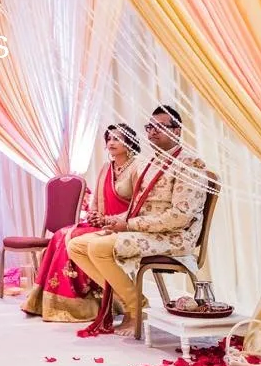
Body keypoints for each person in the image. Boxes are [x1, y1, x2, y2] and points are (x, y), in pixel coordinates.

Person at [68, 106, 208, 337]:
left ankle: (136, 309)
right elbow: (139, 207)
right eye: (150, 127)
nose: (153, 132)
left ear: (178, 130)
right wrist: (111, 220)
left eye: (161, 127)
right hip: (148, 231)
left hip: (174, 237)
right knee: (77, 245)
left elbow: (180, 217)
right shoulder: (152, 162)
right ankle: (132, 299)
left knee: (99, 247)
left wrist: (129, 225)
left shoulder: (189, 164)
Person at [21, 124, 140, 321]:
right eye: (109, 138)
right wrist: (93, 215)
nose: (111, 142)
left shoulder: (137, 168)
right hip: (101, 222)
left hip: (121, 225)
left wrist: (109, 220)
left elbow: (138, 206)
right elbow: (96, 203)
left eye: (117, 139)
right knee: (61, 234)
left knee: (73, 237)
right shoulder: (106, 168)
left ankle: (85, 304)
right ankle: (45, 302)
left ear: (129, 142)